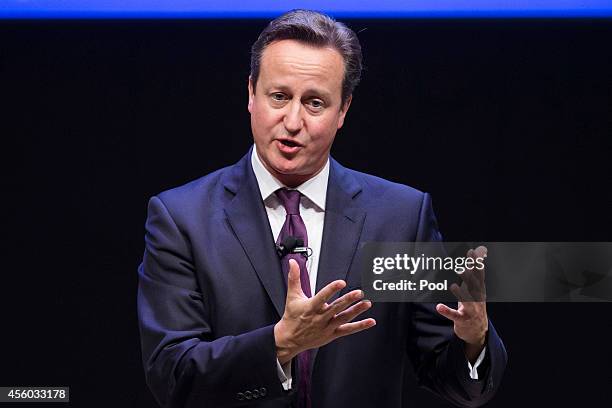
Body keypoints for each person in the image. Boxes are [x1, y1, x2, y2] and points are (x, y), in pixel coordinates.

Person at [137, 9, 507, 408]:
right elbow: (172, 375)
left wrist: (474, 340)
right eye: (279, 96)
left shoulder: (400, 217)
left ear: (343, 110)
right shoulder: (182, 218)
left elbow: (454, 382)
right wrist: (280, 344)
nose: (292, 121)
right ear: (250, 93)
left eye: (314, 103)